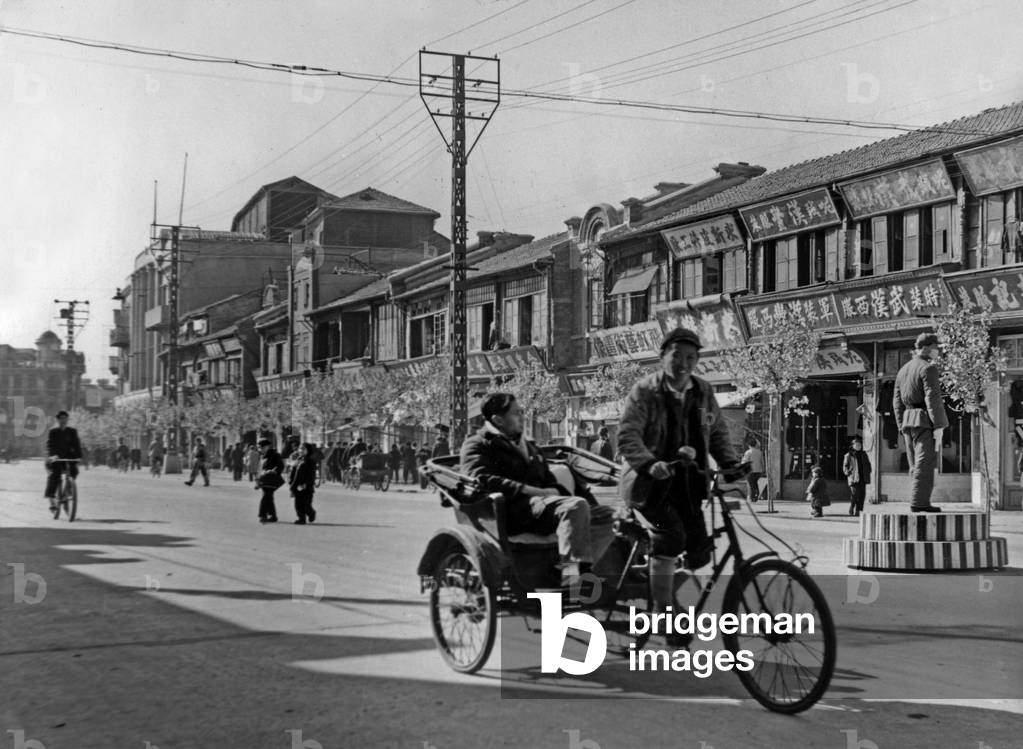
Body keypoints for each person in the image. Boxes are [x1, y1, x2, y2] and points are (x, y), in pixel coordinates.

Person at [617, 327, 743, 619]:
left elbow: (717, 431)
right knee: (671, 537)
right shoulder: (645, 391)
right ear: (663, 356)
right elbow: (628, 436)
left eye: (691, 357)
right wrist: (649, 464)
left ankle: (660, 588)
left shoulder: (702, 391)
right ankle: (663, 610)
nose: (684, 363)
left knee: (699, 550)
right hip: (649, 486)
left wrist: (730, 464)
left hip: (687, 484)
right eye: (677, 356)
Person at [461, 392, 615, 593]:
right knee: (575, 506)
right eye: (516, 413)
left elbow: (547, 478)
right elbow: (480, 479)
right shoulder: (477, 443)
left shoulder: (529, 446)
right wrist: (530, 490)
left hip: (542, 509)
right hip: (511, 512)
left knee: (610, 516)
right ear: (498, 419)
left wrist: (555, 490)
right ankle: (573, 575)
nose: (522, 416)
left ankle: (575, 568)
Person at [893, 332, 949, 512]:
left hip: (908, 420)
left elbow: (897, 402)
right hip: (924, 420)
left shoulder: (903, 370)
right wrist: (939, 425)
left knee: (914, 464)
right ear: (926, 348)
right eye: (936, 348)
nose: (937, 352)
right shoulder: (928, 368)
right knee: (925, 463)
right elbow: (933, 398)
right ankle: (920, 502)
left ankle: (918, 500)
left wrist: (901, 424)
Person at [44, 410, 82, 511]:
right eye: (61, 419)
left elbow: (77, 445)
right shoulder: (53, 432)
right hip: (56, 459)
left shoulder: (72, 431)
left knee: (74, 471)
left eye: (65, 419)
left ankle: (67, 492)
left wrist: (79, 456)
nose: (63, 421)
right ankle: (52, 499)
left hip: (68, 458)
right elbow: (49, 446)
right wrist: (53, 456)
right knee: (55, 476)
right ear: (57, 420)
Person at [288, 442, 318, 524]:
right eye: (300, 448)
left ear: (308, 451)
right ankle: (301, 518)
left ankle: (311, 513)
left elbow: (311, 474)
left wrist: (306, 483)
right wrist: (291, 483)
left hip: (306, 486)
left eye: (303, 449)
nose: (301, 450)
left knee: (306, 504)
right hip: (297, 485)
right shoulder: (298, 460)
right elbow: (293, 472)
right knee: (298, 504)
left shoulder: (310, 461)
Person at [842, 436, 872, 516]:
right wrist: (847, 472)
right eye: (856, 445)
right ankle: (852, 506)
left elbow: (868, 464)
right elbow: (845, 466)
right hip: (853, 478)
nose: (858, 446)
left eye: (859, 445)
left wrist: (868, 471)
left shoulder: (864, 454)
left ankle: (859, 510)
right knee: (855, 494)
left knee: (862, 495)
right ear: (852, 446)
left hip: (863, 477)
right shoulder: (848, 455)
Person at [256, 438, 284, 523]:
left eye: (262, 447)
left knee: (266, 497)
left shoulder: (275, 455)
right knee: (268, 498)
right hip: (264, 480)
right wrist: (257, 481)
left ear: (268, 446)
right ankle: (273, 516)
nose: (260, 449)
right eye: (259, 447)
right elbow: (259, 469)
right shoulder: (262, 456)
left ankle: (263, 515)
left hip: (272, 480)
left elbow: (280, 466)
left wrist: (273, 471)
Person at [741, 437, 765, 503]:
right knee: (755, 483)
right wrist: (763, 469)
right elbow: (762, 461)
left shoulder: (748, 452)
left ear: (749, 445)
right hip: (758, 470)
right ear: (755, 445)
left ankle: (753, 497)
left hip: (750, 471)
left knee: (751, 485)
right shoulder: (760, 452)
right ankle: (757, 495)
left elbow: (745, 461)